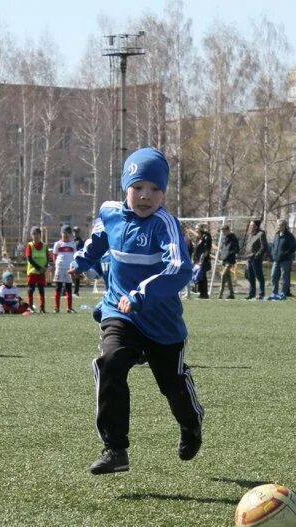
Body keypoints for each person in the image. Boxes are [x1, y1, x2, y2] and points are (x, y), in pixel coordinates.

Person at [70, 147, 203, 475]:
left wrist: (143, 294)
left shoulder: (165, 225)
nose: (146, 196)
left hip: (160, 320)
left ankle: (191, 422)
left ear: (164, 193)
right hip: (120, 311)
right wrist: (82, 261)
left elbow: (180, 268)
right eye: (138, 187)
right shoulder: (110, 213)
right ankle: (115, 449)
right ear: (125, 186)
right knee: (110, 363)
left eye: (155, 189)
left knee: (171, 385)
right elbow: (99, 239)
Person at [269, 219, 296, 299]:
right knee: (273, 276)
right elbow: (274, 246)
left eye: (280, 225)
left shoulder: (289, 236)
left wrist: (286, 254)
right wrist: (273, 254)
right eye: (278, 225)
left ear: (285, 226)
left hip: (285, 260)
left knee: (284, 277)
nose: (278, 226)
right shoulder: (276, 235)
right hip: (276, 260)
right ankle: (274, 293)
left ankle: (283, 293)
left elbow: (294, 247)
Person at [241, 218, 269, 300]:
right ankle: (252, 293)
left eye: (252, 225)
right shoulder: (250, 234)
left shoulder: (261, 234)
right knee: (250, 276)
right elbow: (248, 246)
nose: (250, 226)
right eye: (250, 225)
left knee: (259, 276)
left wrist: (257, 256)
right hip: (249, 258)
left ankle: (261, 293)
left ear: (256, 226)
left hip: (256, 259)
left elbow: (264, 247)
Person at [52, 224, 77, 313]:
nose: (65, 234)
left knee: (69, 287)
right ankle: (56, 308)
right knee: (58, 287)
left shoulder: (73, 244)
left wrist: (74, 267)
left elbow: (75, 256)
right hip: (60, 268)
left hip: (69, 268)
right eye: (64, 232)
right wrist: (56, 264)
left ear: (70, 234)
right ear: (61, 233)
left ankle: (69, 308)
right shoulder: (58, 244)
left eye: (67, 233)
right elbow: (54, 256)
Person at [24, 226, 49, 312]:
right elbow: (29, 259)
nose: (36, 236)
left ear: (40, 235)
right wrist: (38, 268)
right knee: (31, 289)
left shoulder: (45, 246)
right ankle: (30, 306)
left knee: (41, 289)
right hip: (33, 272)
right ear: (31, 235)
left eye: (37, 234)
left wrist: (45, 267)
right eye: (34, 234)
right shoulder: (29, 245)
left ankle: (42, 308)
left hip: (41, 272)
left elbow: (47, 258)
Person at [216, 224, 239, 299]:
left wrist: (229, 253)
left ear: (228, 230)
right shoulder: (224, 238)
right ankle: (231, 294)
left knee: (223, 275)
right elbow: (223, 248)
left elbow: (237, 249)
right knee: (228, 277)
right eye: (222, 231)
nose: (223, 233)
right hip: (224, 260)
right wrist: (222, 256)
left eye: (224, 231)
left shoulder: (233, 238)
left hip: (230, 260)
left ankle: (220, 294)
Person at [191, 222, 213, 298]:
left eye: (197, 228)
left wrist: (202, 259)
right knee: (199, 276)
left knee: (202, 276)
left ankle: (204, 293)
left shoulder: (206, 237)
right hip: (197, 259)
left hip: (203, 260)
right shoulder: (198, 237)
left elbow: (206, 250)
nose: (196, 230)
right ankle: (201, 293)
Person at [71, 226, 85, 296]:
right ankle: (66, 290)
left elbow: (81, 251)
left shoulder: (80, 241)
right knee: (71, 275)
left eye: (76, 232)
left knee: (76, 275)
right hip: (71, 259)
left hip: (77, 260)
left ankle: (76, 291)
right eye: (74, 232)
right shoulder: (72, 241)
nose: (75, 233)